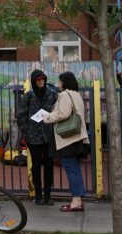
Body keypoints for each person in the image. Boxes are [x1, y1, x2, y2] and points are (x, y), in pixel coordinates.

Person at [44, 71, 89, 212]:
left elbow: (63, 113)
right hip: (77, 136)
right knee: (74, 168)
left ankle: (76, 201)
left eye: (59, 81)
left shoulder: (64, 94)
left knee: (71, 169)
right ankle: (78, 199)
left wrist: (48, 117)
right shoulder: (77, 95)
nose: (58, 84)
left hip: (68, 139)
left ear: (64, 82)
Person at [17, 69, 58, 205]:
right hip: (33, 137)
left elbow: (58, 111)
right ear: (34, 81)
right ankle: (38, 195)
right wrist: (26, 130)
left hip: (49, 135)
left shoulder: (52, 94)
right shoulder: (29, 96)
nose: (41, 82)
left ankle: (48, 195)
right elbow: (21, 114)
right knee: (35, 165)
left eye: (43, 79)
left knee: (49, 165)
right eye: (38, 80)